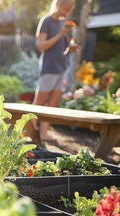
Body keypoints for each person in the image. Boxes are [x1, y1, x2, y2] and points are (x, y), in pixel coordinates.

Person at [33, 0, 78, 142]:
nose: (68, 12)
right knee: (40, 101)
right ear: (58, 5)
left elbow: (64, 46)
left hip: (61, 66)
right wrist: (61, 34)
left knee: (53, 103)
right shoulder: (46, 21)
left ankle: (43, 134)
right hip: (49, 67)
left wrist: (71, 47)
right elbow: (41, 46)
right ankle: (30, 132)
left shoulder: (65, 23)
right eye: (66, 8)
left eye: (70, 9)